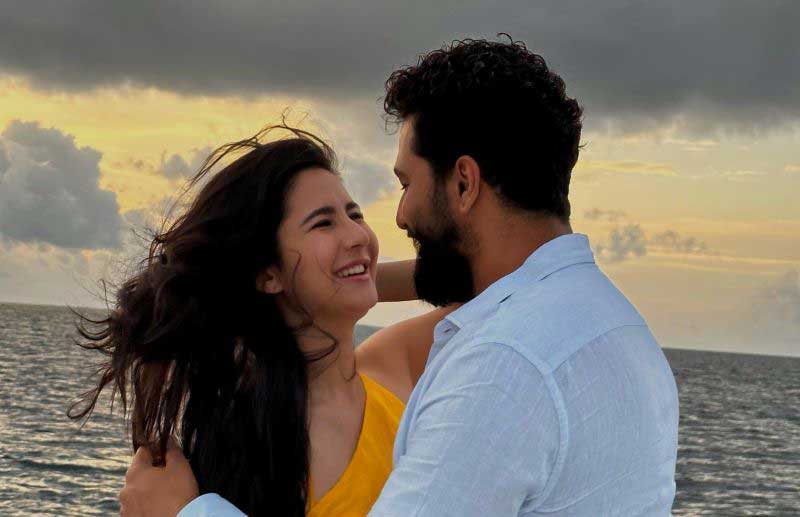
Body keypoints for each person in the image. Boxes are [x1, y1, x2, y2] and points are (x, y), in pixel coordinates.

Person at [123, 36, 680, 516]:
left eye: (406, 184)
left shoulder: (495, 363)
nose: (396, 217)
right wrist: (337, 274)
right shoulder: (605, 324)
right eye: (324, 221)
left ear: (464, 183)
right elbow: (478, 280)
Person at [70, 125, 456, 516]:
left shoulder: (392, 364)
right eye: (323, 223)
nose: (357, 233)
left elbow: (482, 280)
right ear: (267, 273)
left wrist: (354, 273)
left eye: (354, 214)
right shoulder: (253, 436)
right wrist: (341, 274)